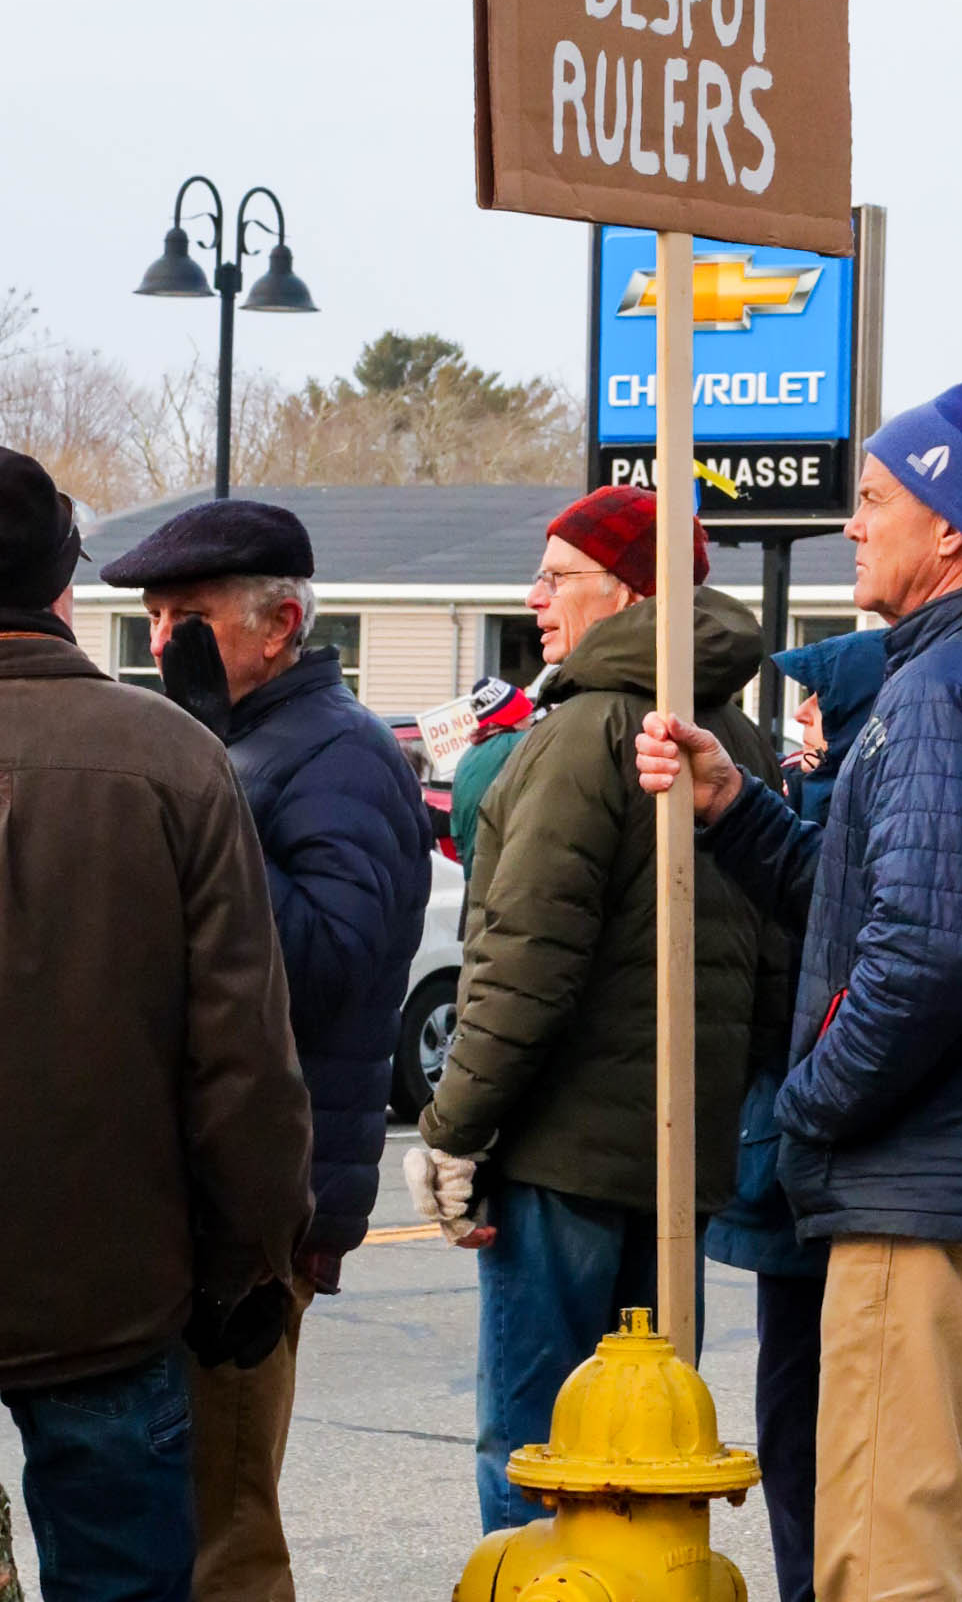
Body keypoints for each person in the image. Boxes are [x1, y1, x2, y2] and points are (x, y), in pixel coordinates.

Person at [637, 379, 962, 1602]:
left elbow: (926, 954)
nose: (851, 526)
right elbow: (907, 910)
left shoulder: (935, 694)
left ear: (951, 523)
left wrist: (810, 1106)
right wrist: (738, 810)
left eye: (873, 501)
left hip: (933, 1205)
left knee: (890, 1551)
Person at [403, 486, 787, 1532]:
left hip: (562, 1158)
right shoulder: (737, 742)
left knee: (536, 1446)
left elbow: (524, 960)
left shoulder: (585, 731)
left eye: (558, 576)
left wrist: (453, 1130)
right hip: (680, 1162)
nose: (535, 599)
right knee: (650, 1453)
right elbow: (774, 964)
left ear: (627, 591)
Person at [100, 498, 432, 1602]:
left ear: (280, 623)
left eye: (188, 617)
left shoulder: (342, 753)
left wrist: (205, 776)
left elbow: (327, 966)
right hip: (189, 1188)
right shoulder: (252, 740)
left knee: (224, 1529)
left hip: (261, 1201)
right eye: (153, 618)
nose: (161, 641)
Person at [0, 449, 312, 1602]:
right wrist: (249, 1264)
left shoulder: (176, 754)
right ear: (59, 585)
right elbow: (241, 1057)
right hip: (113, 1294)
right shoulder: (176, 758)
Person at [704, 628, 887, 1602]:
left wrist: (807, 1102)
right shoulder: (807, 796)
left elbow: (814, 977)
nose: (800, 719)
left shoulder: (851, 809)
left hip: (810, 1147)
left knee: (808, 1412)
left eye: (817, 701)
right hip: (795, 1151)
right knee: (795, 1406)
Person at [449, 676, 534, 881]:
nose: (530, 719)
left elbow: (457, 834)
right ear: (514, 716)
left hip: (474, 878)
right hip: (507, 879)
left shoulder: (466, 759)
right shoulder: (523, 744)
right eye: (526, 714)